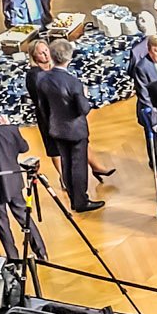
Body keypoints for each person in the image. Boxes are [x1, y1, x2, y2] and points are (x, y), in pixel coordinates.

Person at [0, 100, 47, 259]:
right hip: (13, 182)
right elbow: (24, 148)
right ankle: (41, 252)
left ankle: (14, 258)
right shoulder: (11, 130)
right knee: (25, 218)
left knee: (2, 225)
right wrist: (10, 127)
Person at [33, 38, 104, 213]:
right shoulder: (74, 82)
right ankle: (80, 201)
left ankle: (73, 197)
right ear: (68, 59)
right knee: (78, 165)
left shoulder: (41, 78)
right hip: (75, 130)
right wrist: (85, 96)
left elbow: (42, 106)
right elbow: (83, 109)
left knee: (66, 163)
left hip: (55, 128)